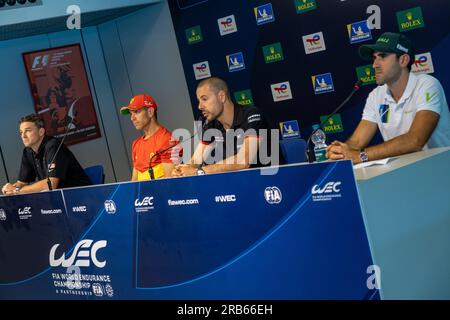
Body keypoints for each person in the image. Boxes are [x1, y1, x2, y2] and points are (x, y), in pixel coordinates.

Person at [327, 32, 450, 164]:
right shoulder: (376, 95)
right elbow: (357, 141)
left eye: (382, 56)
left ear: (403, 60)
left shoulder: (427, 85)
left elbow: (415, 140)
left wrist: (361, 156)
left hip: (441, 169)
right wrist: (341, 151)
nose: (375, 65)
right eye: (374, 58)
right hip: (402, 172)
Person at [172, 77, 277, 177]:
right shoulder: (210, 124)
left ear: (221, 97)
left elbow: (243, 161)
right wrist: (182, 169)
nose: (200, 106)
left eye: (204, 99)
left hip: (271, 183)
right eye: (199, 101)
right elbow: (196, 160)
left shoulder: (251, 115)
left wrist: (199, 171)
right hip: (240, 184)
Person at [1, 114, 91, 195]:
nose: (23, 136)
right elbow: (21, 182)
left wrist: (17, 191)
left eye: (27, 131)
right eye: (21, 132)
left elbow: (51, 184)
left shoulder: (53, 146)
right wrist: (10, 189)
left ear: (41, 132)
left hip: (81, 196)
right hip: (57, 199)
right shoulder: (27, 152)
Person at [120, 94, 181, 180]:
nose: (132, 118)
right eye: (130, 114)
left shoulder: (167, 140)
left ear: (150, 112)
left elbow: (171, 182)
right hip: (143, 193)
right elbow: (134, 182)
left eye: (136, 112)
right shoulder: (136, 144)